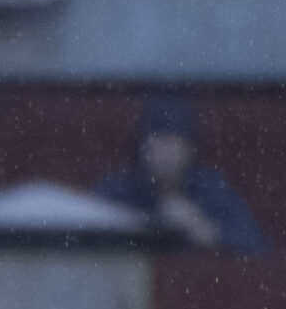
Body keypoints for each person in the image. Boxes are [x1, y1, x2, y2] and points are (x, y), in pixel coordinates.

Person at [95, 97, 266, 256]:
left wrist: (201, 227)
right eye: (160, 142)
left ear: (189, 150)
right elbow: (90, 240)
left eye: (175, 144)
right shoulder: (118, 189)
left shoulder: (210, 188)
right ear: (143, 147)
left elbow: (258, 246)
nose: (167, 154)